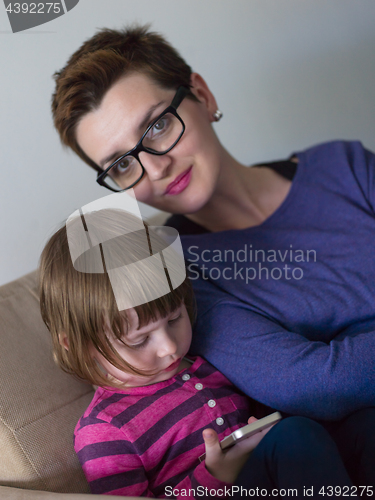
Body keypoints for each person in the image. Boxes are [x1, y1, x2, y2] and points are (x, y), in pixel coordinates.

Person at [51, 26, 375, 484]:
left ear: (200, 94)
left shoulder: (343, 166)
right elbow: (316, 384)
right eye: (122, 163)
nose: (156, 167)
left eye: (157, 125)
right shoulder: (172, 276)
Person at [39, 208, 355, 498]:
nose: (170, 347)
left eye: (175, 318)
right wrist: (215, 476)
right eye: (139, 340)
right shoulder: (104, 429)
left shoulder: (205, 361)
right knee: (296, 438)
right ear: (78, 344)